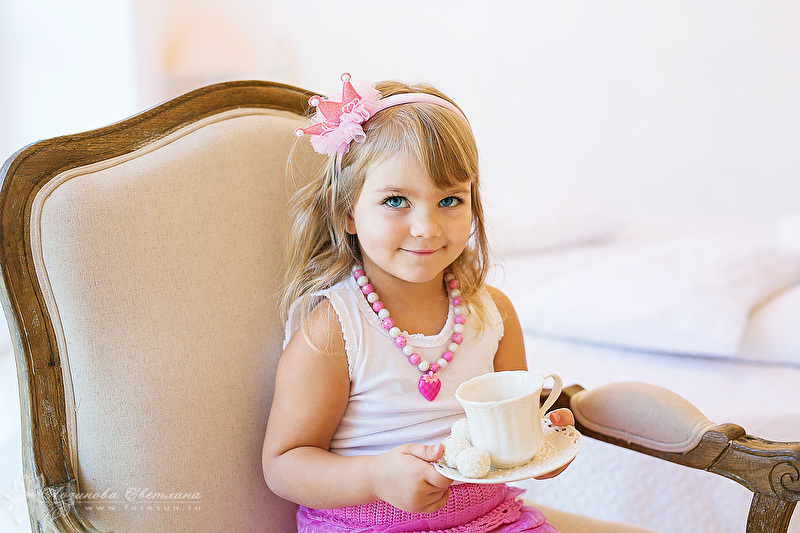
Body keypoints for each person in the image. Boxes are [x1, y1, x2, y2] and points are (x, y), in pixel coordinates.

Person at [262, 73, 574, 532]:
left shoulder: (494, 314)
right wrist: (375, 478)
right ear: (346, 211)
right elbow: (284, 464)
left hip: (491, 521)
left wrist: (541, 444)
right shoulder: (336, 329)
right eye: (395, 201)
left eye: (450, 200)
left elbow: (513, 435)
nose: (427, 227)